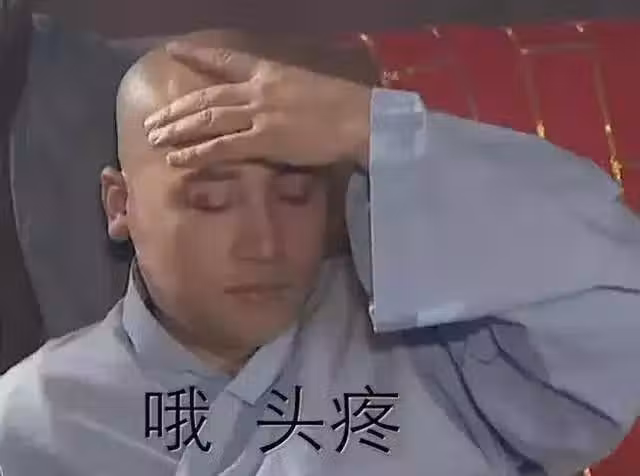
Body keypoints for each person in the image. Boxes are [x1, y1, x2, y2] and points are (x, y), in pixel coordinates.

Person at [0, 29, 639, 476]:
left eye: (295, 194)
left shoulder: (439, 351)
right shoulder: (35, 420)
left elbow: (616, 300)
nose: (264, 243)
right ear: (121, 205)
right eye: (211, 201)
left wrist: (370, 128)